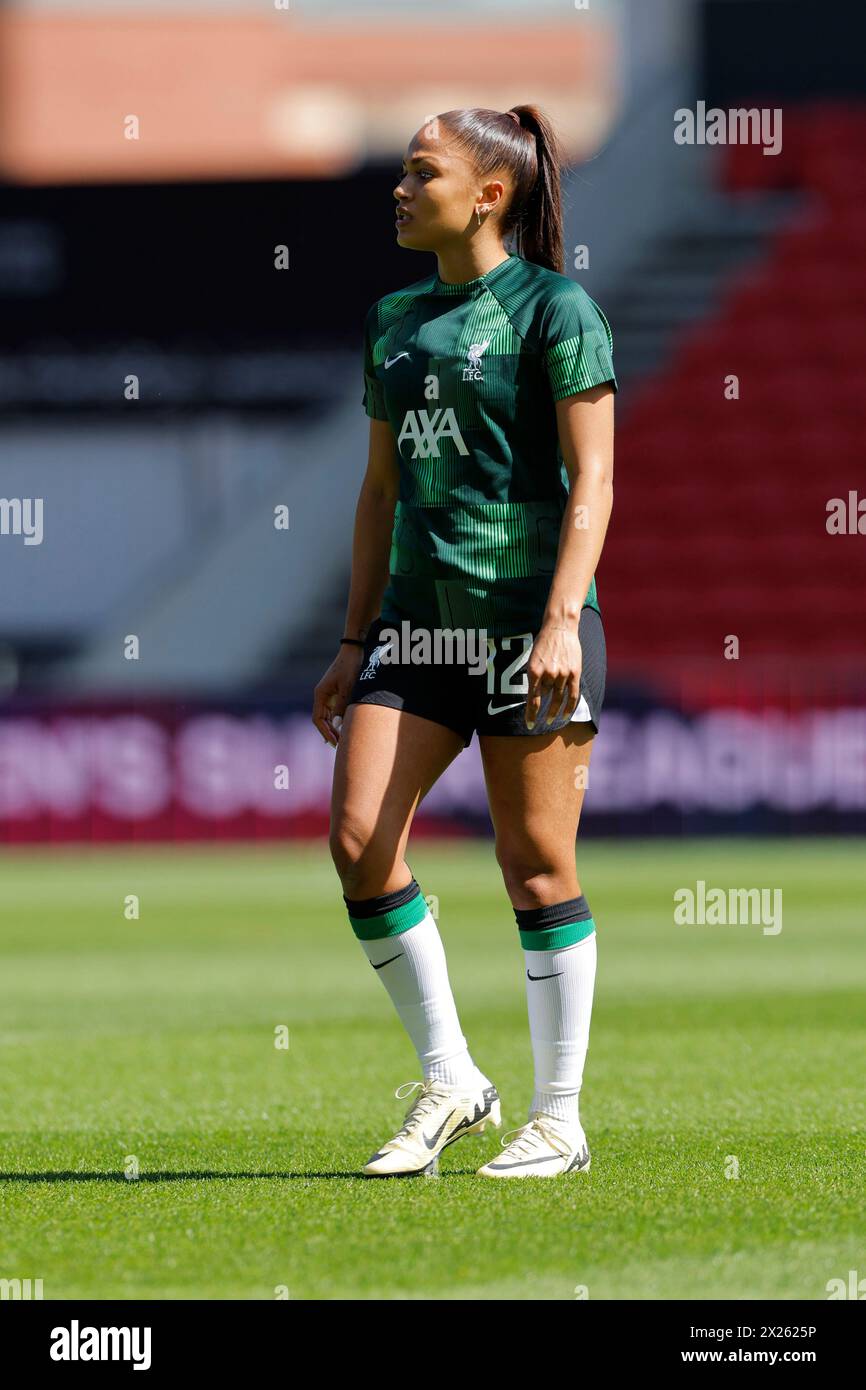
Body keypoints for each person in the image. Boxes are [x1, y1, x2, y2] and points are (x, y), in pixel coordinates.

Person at [312, 105, 616, 1178]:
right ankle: (451, 1078)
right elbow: (379, 492)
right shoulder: (392, 320)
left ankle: (559, 1119)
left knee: (534, 869)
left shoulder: (554, 308)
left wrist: (559, 620)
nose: (398, 187)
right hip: (416, 632)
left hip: (530, 631)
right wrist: (354, 639)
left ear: (488, 194)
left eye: (419, 171)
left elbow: (593, 481)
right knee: (357, 841)